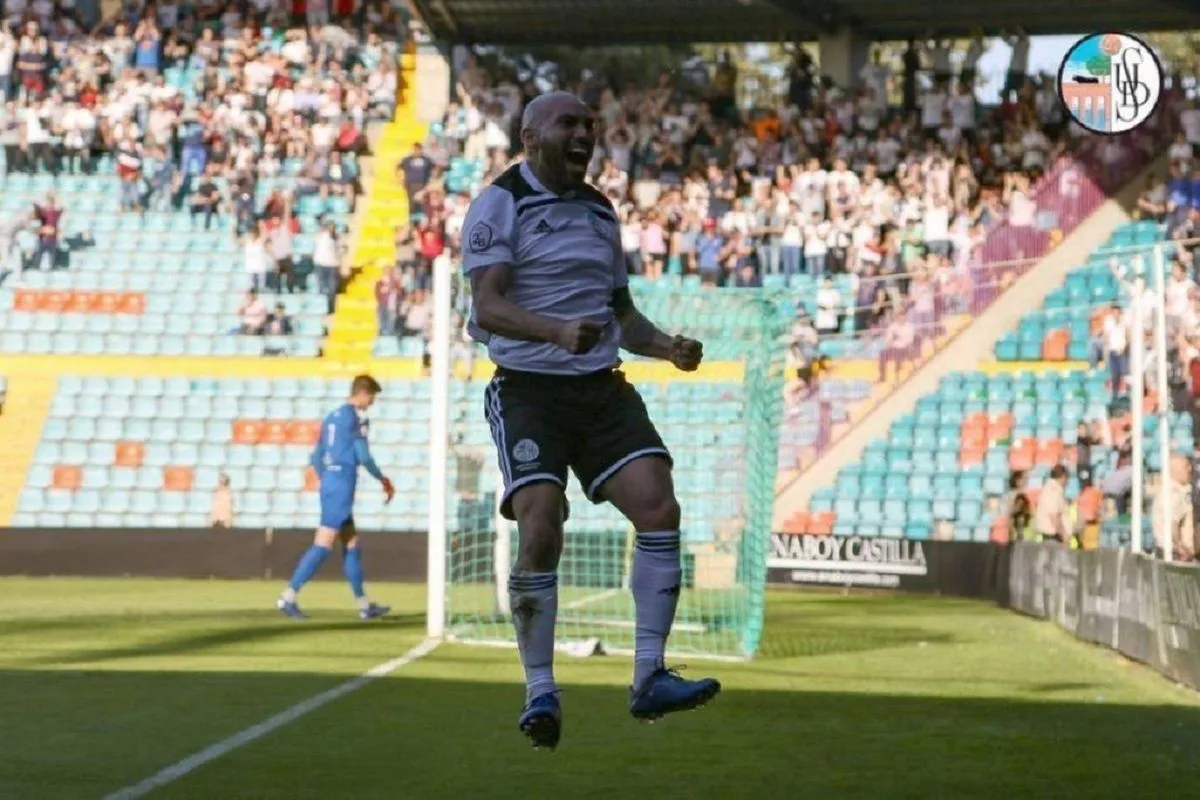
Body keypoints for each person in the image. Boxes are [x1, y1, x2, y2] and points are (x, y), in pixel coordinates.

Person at [460, 91, 719, 752]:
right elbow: (487, 307)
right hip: (528, 389)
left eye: (589, 125)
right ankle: (541, 690)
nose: (584, 134)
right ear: (530, 135)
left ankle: (649, 677)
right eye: (569, 123)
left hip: (599, 389)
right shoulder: (501, 202)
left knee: (659, 506)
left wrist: (667, 347)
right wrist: (552, 330)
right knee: (543, 523)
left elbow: (621, 315)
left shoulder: (601, 210)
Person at [277, 375, 395, 621]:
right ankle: (287, 597)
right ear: (362, 393)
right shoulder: (356, 418)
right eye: (372, 397)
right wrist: (382, 479)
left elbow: (316, 456)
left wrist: (328, 478)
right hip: (341, 484)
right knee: (323, 543)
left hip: (331, 482)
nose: (372, 403)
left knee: (351, 543)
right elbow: (363, 456)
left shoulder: (331, 417)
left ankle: (364, 606)